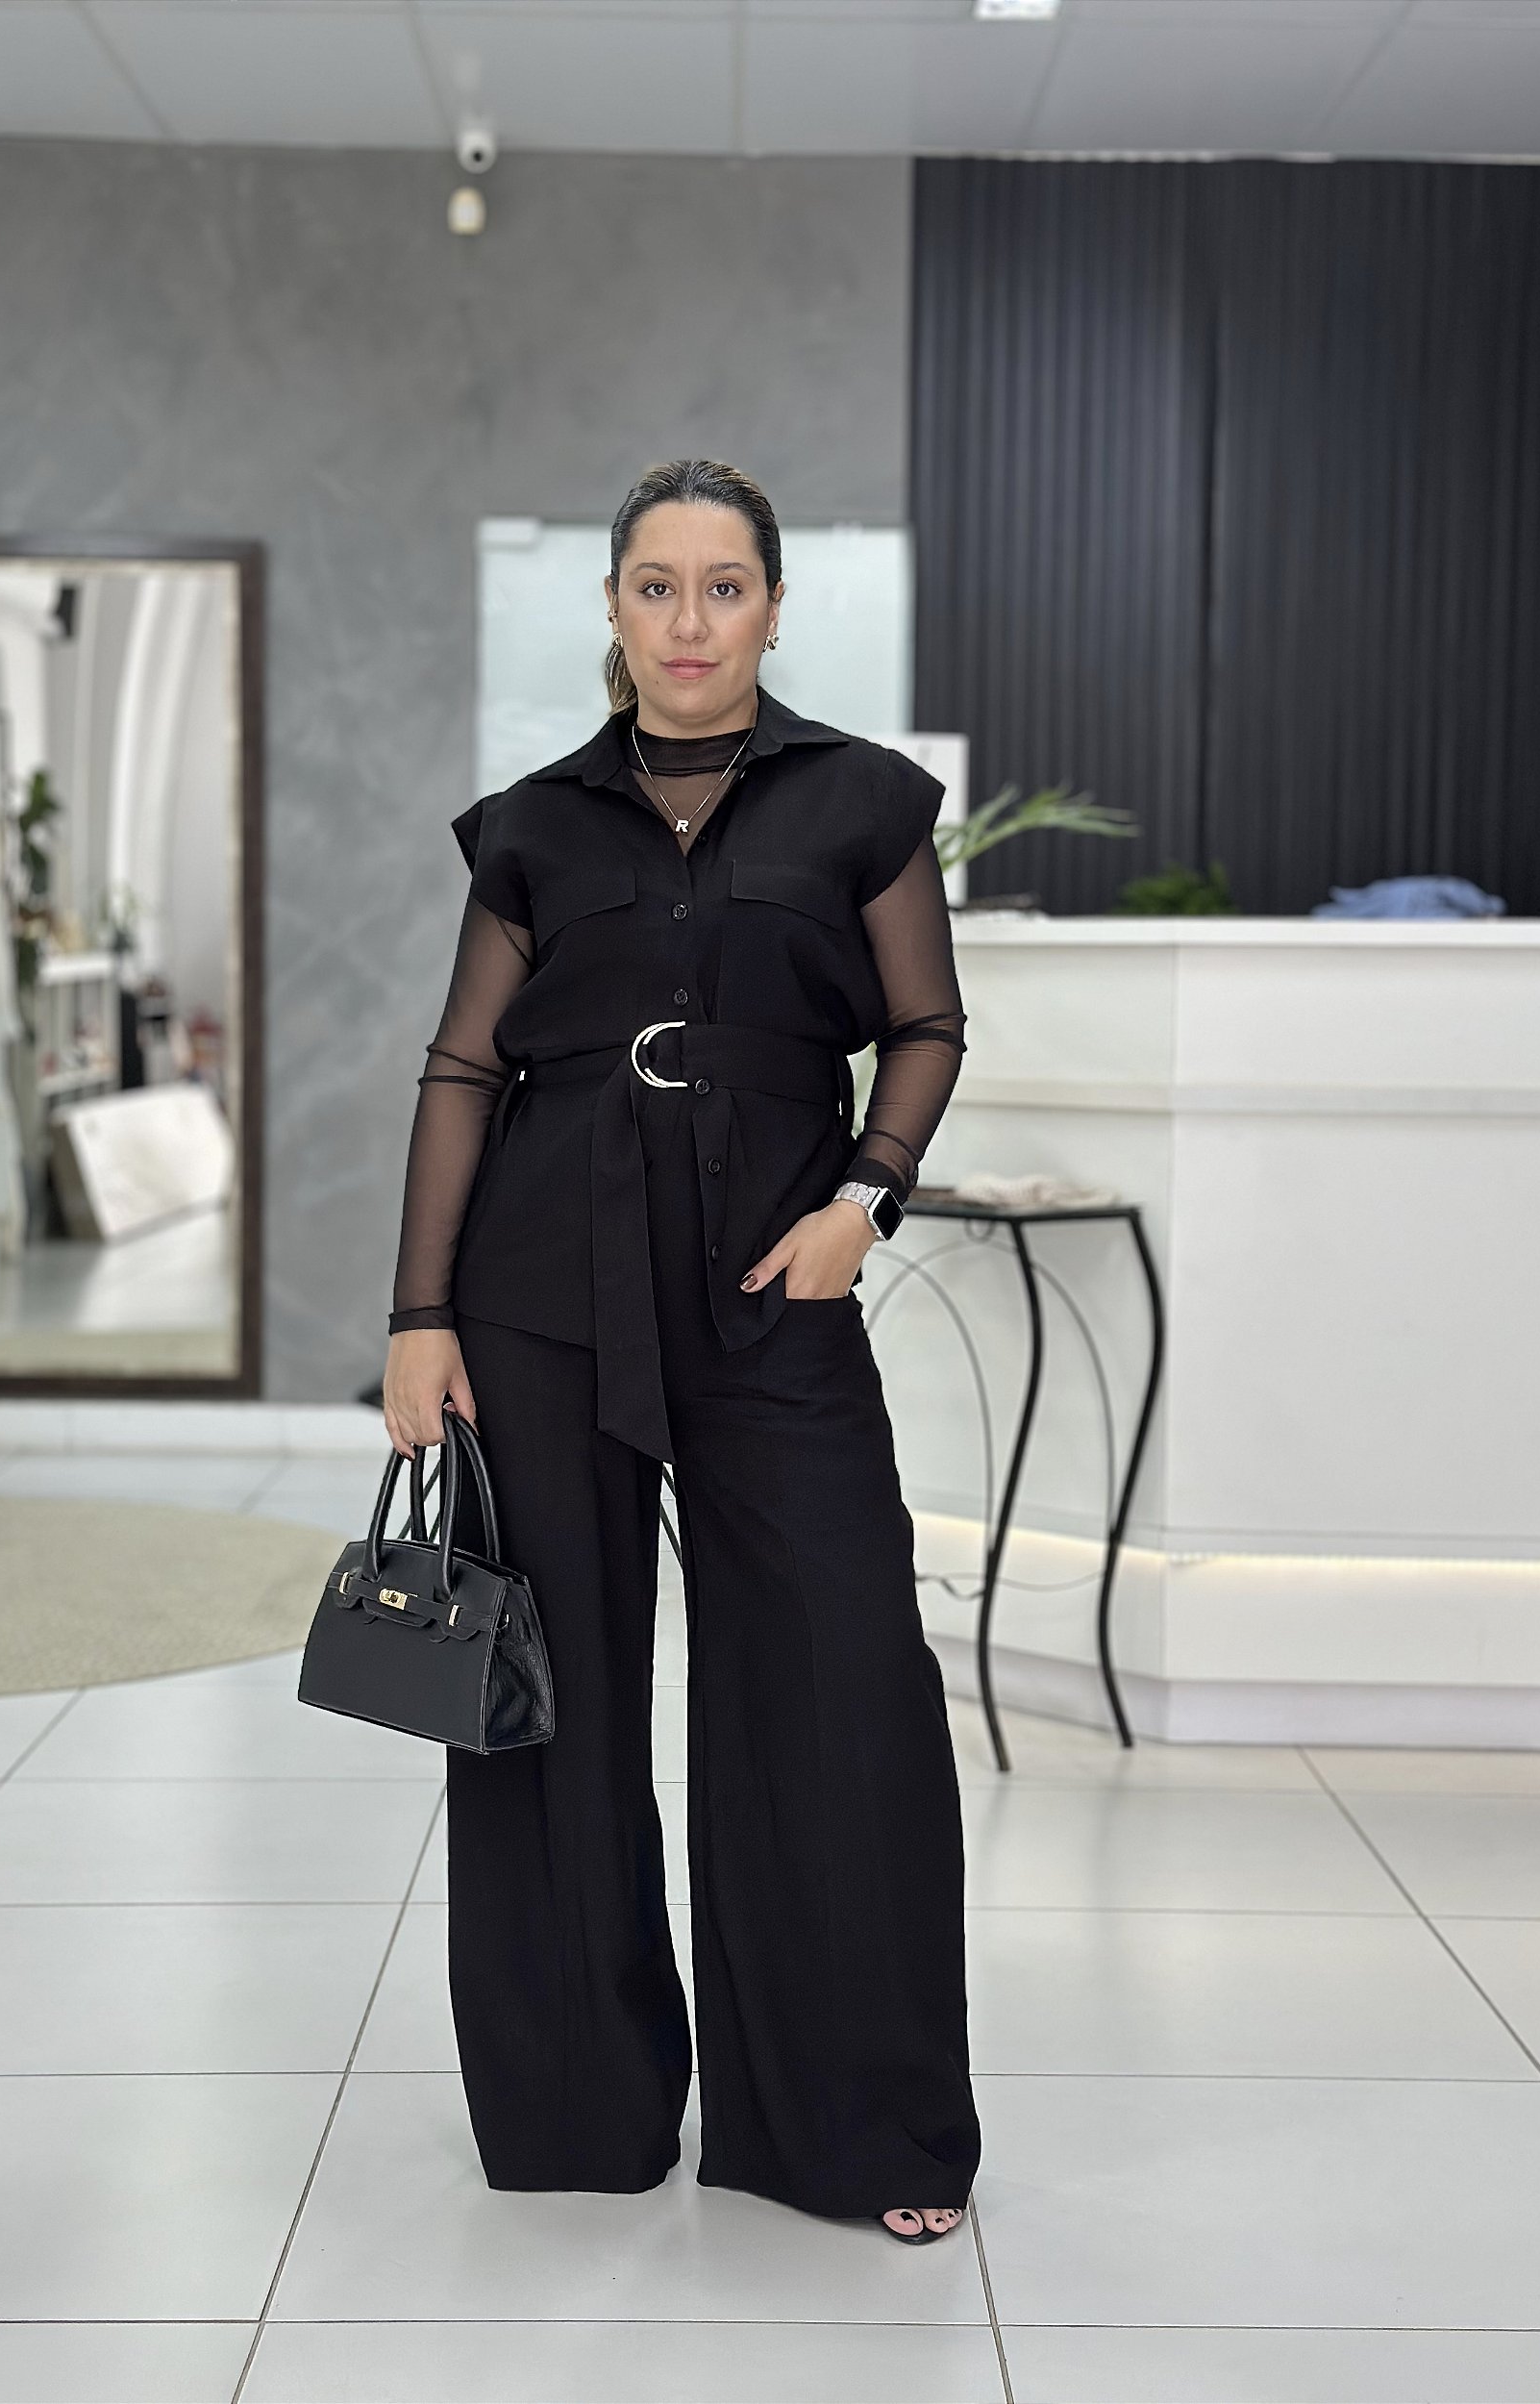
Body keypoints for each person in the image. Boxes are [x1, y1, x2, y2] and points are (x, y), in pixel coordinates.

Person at [382, 457, 981, 2245]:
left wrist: (865, 1196)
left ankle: (857, 2129)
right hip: (537, 1298)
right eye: (657, 586)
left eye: (725, 587)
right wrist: (418, 1314)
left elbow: (926, 1025)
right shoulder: (529, 828)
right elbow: (463, 1069)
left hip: (772, 1291)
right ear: (616, 610)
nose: (690, 620)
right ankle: (577, 2108)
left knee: (839, 1687)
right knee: (549, 1706)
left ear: (773, 609)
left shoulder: (860, 801)